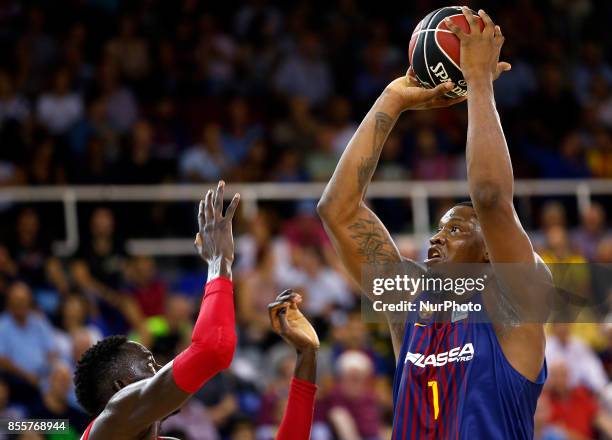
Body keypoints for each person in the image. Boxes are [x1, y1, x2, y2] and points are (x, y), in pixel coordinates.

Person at [318, 7, 550, 439]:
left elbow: (491, 199)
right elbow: (337, 211)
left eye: (457, 229)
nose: (438, 237)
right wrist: (394, 97)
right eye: (440, 228)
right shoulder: (410, 303)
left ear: (488, 252)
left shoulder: (516, 299)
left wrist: (479, 82)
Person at [76, 181, 319, 440]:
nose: (162, 367)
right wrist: (219, 263)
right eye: (150, 364)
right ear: (122, 388)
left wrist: (306, 355)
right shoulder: (110, 422)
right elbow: (214, 349)